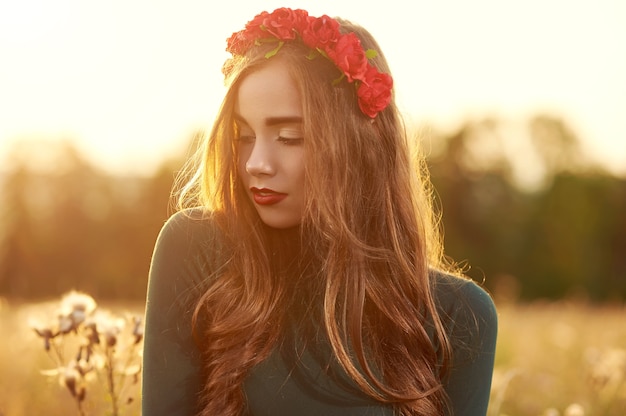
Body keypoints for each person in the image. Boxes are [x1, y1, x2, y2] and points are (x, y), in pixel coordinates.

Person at [142, 7, 497, 416]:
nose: (256, 162)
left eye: (289, 137)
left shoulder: (459, 315)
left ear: (359, 146)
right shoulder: (196, 248)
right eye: (243, 136)